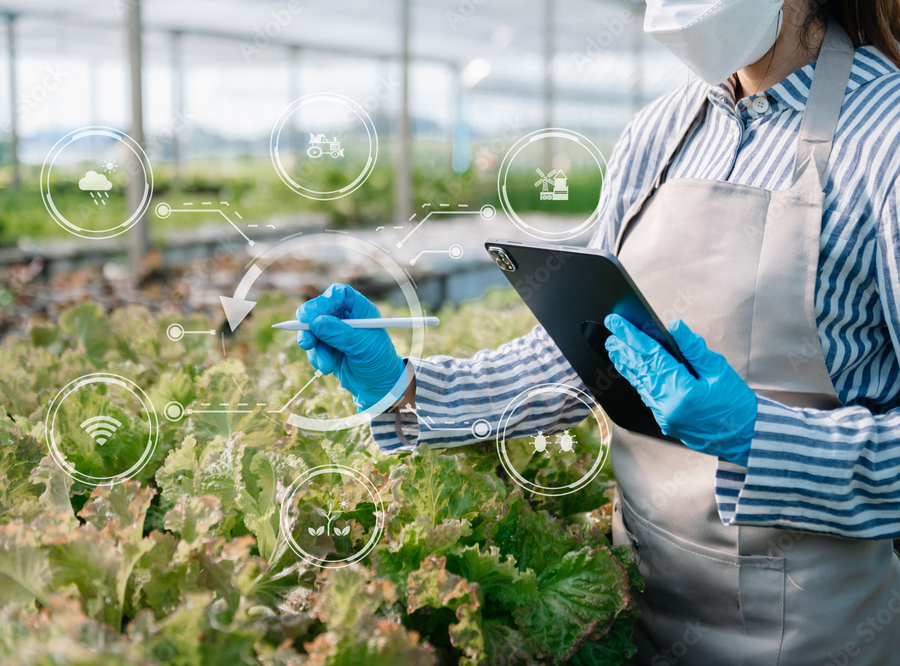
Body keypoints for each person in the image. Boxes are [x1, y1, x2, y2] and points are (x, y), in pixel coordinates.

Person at [294, 0, 900, 663]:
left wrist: (760, 437)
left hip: (809, 635)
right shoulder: (660, 133)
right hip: (637, 605)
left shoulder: (884, 137)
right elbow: (585, 357)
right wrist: (406, 389)